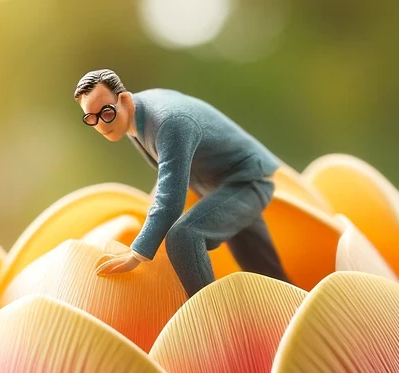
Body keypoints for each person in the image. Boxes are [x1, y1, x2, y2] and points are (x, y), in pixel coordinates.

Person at [74, 69, 291, 297]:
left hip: (247, 180)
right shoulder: (132, 118)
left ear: (125, 100)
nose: (101, 125)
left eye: (106, 112)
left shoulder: (169, 123)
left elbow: (170, 199)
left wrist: (136, 253)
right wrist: (150, 216)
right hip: (220, 186)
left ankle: (209, 312)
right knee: (265, 271)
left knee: (184, 237)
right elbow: (169, 171)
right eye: (91, 118)